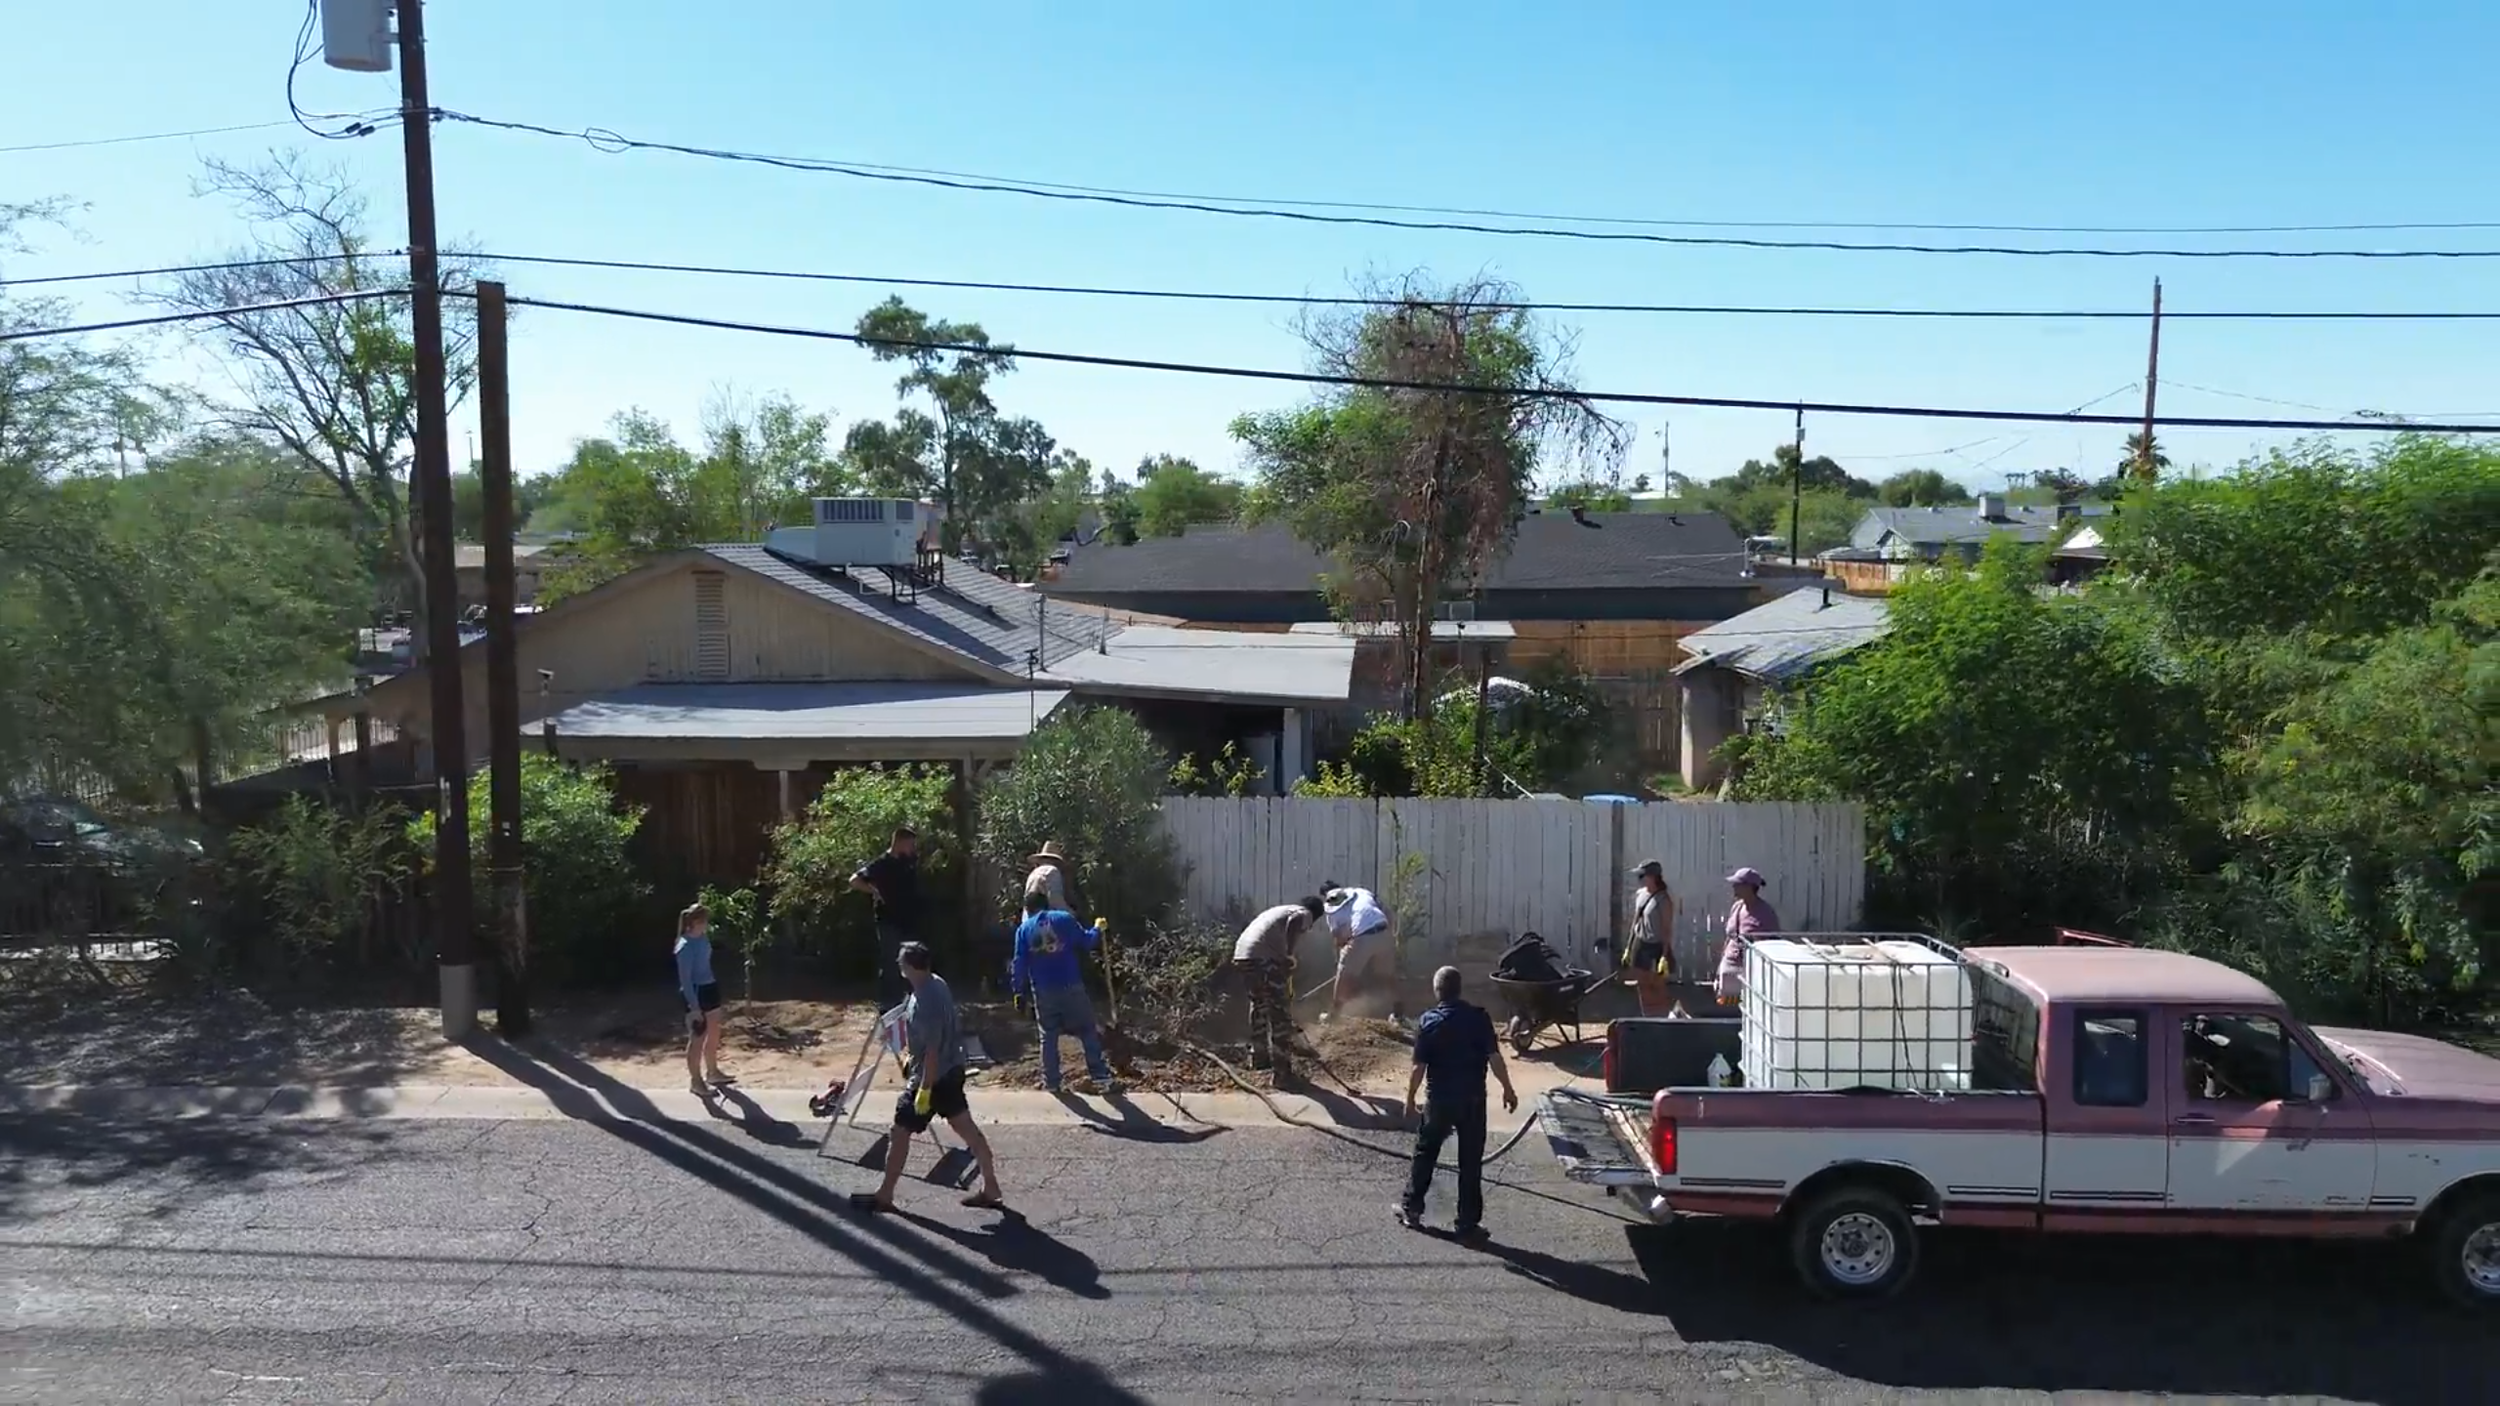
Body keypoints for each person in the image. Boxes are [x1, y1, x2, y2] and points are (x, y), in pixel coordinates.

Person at [852, 942, 1005, 1214]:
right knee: (967, 1130)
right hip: (951, 1070)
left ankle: (885, 1195)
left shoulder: (925, 1003)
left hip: (933, 1078)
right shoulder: (935, 983)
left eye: (901, 963)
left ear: (910, 967)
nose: (899, 966)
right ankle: (991, 1187)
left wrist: (924, 1090)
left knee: (899, 1131)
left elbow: (932, 1050)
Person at [1398, 965, 1518, 1242]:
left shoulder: (1428, 1021)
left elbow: (1418, 1067)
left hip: (1439, 1099)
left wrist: (1410, 1098)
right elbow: (1495, 1057)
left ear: (1437, 991)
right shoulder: (1479, 1018)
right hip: (1473, 1099)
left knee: (1425, 1153)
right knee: (1470, 1162)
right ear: (1460, 989)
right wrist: (1508, 1089)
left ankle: (1412, 1209)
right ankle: (1467, 1224)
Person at [1012, 891, 1118, 1094]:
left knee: (1048, 1035)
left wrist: (1018, 992)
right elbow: (1087, 941)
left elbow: (1019, 964)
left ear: (1028, 909)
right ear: (1047, 904)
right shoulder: (1064, 918)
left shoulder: (1023, 930)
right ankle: (1100, 1077)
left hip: (1043, 991)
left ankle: (1052, 1083)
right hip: (1071, 985)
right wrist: (1098, 928)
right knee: (1087, 1030)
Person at [1232, 897, 1323, 1075]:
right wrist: (1288, 955)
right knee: (1279, 1012)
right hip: (1262, 958)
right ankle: (1282, 1071)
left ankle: (1259, 1059)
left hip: (1243, 956)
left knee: (1259, 1006)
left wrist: (1281, 962)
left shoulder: (1280, 910)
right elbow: (1295, 922)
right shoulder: (1303, 913)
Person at [848, 826, 922, 1013]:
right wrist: (873, 891)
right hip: (888, 919)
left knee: (910, 960)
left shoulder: (908, 861)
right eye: (910, 844)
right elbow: (854, 880)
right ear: (900, 842)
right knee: (890, 961)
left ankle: (907, 1002)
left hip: (908, 918)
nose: (912, 848)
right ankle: (887, 1005)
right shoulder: (881, 864)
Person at [1320, 880, 1394, 1019]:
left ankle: (1334, 1015)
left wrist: (1340, 962)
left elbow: (1338, 938)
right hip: (1384, 932)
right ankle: (1397, 1013)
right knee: (1387, 977)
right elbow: (1386, 912)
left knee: (1345, 978)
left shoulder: (1331, 907)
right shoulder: (1362, 892)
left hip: (1362, 937)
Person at [674, 901, 726, 1095]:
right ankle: (696, 1081)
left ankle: (713, 1072)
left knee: (714, 1031)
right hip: (695, 992)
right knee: (698, 1038)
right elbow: (685, 979)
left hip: (710, 987)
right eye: (704, 920)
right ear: (695, 922)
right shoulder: (684, 946)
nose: (707, 924)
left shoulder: (703, 938)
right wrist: (694, 1007)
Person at [1716, 867, 1782, 1007]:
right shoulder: (1737, 907)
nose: (1734, 887)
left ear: (1749, 887)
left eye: (1738, 884)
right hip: (1730, 964)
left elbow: (1774, 942)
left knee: (1749, 1005)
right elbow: (1729, 937)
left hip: (1751, 968)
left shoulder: (1765, 912)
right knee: (1727, 1003)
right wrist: (1720, 967)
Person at [1623, 860, 1676, 1016]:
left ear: (1652, 877)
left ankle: (1663, 1016)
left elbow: (1667, 929)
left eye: (1642, 876)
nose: (1640, 879)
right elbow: (1636, 921)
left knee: (1657, 985)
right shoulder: (1641, 894)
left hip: (1657, 945)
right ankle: (1647, 1015)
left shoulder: (1663, 899)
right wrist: (1628, 947)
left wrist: (1664, 956)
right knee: (1642, 983)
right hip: (1642, 943)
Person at [1023, 841, 1073, 913]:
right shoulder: (1052, 871)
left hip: (1029, 916)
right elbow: (1056, 900)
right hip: (1045, 915)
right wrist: (1070, 914)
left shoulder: (1033, 873)